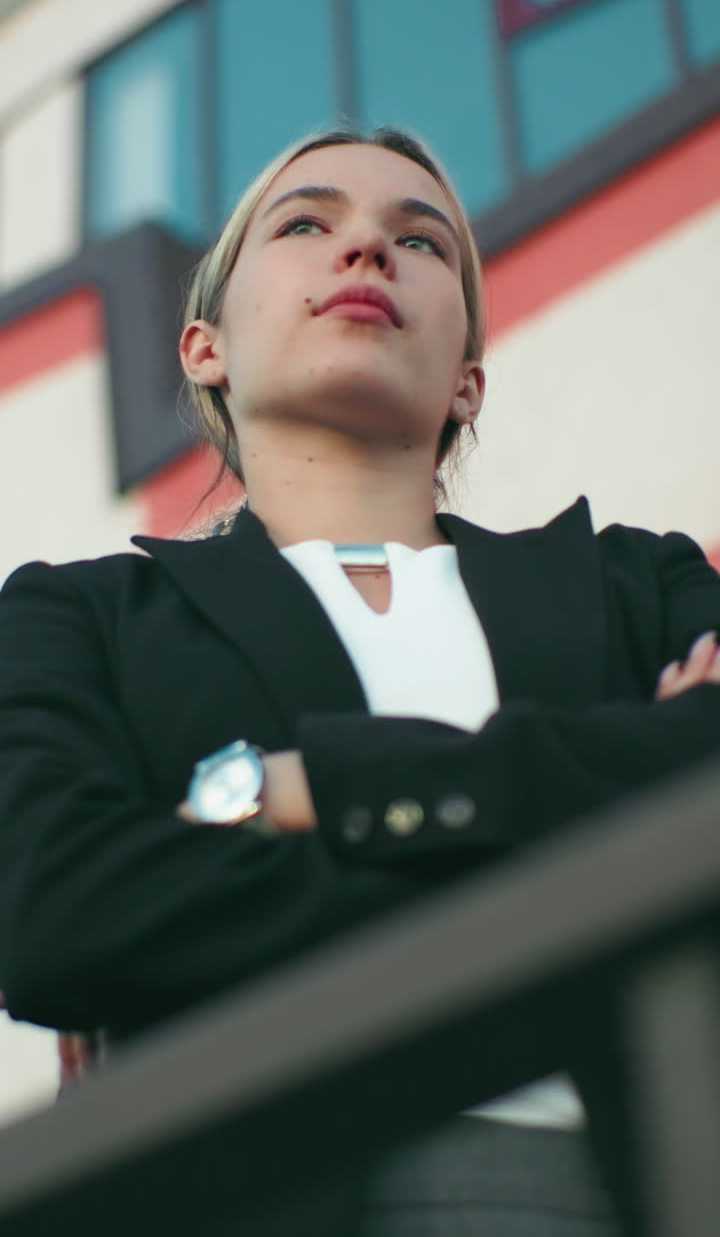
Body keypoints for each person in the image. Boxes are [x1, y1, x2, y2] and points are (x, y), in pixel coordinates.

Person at [1, 125, 720, 1237]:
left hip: (643, 1178)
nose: (369, 249)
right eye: (306, 223)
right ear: (204, 348)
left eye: (422, 241)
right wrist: (598, 812)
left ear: (469, 378)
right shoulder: (76, 617)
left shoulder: (639, 581)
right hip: (250, 1195)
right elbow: (60, 912)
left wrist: (316, 790)